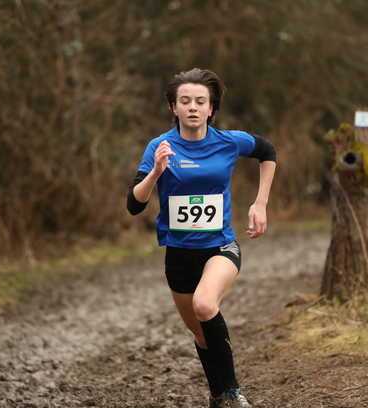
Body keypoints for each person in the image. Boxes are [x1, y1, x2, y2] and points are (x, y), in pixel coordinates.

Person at [126, 68, 276, 407]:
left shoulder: (229, 142)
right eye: (185, 101)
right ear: (173, 107)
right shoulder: (159, 147)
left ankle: (233, 392)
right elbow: (134, 205)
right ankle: (218, 394)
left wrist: (260, 203)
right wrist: (156, 172)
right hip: (179, 255)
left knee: (205, 304)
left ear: (211, 108)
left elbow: (268, 152)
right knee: (200, 333)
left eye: (200, 101)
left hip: (220, 247)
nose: (192, 107)